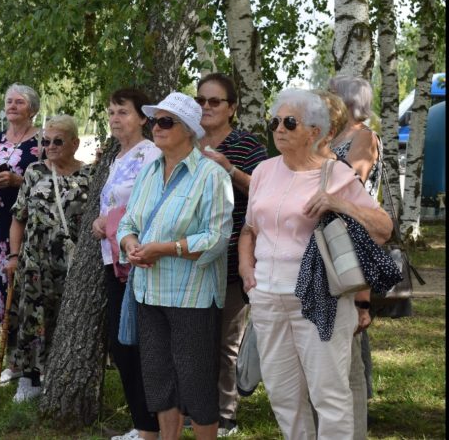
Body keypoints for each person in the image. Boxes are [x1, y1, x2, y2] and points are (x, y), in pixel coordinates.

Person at [238, 89, 392, 439]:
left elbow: (383, 228)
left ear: (315, 131)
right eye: (275, 121)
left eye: (290, 122)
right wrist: (247, 271)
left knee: (329, 394)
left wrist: (339, 202)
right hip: (267, 299)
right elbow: (249, 230)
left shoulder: (335, 175)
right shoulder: (263, 171)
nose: (279, 129)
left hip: (320, 298)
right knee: (282, 395)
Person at [117, 92, 233, 440]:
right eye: (154, 121)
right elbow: (127, 223)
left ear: (189, 130)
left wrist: (165, 249)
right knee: (159, 380)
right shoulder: (149, 172)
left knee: (196, 383)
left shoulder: (211, 175)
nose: (156, 127)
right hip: (149, 292)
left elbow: (216, 238)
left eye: (166, 121)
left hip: (191, 297)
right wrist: (131, 244)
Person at [196, 73, 268, 437]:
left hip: (233, 260)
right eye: (201, 101)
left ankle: (226, 415)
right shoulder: (187, 141)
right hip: (190, 260)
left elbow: (267, 191)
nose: (206, 108)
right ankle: (199, 410)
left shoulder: (245, 144)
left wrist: (230, 169)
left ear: (232, 108)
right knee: (196, 339)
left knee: (226, 341)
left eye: (214, 101)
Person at [5, 114, 94, 403]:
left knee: (68, 317)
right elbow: (18, 218)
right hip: (35, 261)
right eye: (46, 142)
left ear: (75, 143)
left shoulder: (90, 175)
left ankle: (61, 376)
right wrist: (14, 255)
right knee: (33, 318)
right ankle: (29, 378)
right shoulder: (34, 172)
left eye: (58, 141)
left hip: (74, 262)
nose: (51, 147)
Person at [90, 89, 161, 440]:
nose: (116, 118)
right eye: (112, 112)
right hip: (113, 260)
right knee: (122, 344)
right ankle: (144, 424)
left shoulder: (150, 154)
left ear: (143, 118)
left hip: (139, 261)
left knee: (136, 344)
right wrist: (100, 221)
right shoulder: (117, 157)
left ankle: (150, 426)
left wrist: (111, 220)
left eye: (124, 112)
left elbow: (151, 204)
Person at [328, 75, 385, 437]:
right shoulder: (334, 138)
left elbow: (352, 181)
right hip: (333, 242)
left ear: (347, 103)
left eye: (329, 96)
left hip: (352, 241)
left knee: (349, 348)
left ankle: (355, 430)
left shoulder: (363, 137)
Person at [0, 84, 42, 388]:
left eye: (19, 102)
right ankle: (13, 362)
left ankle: (38, 364)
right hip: (2, 222)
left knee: (32, 291)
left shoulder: (42, 140)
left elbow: (48, 179)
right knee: (6, 289)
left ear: (32, 108)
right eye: (8, 101)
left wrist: (18, 179)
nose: (12, 106)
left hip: (33, 223)